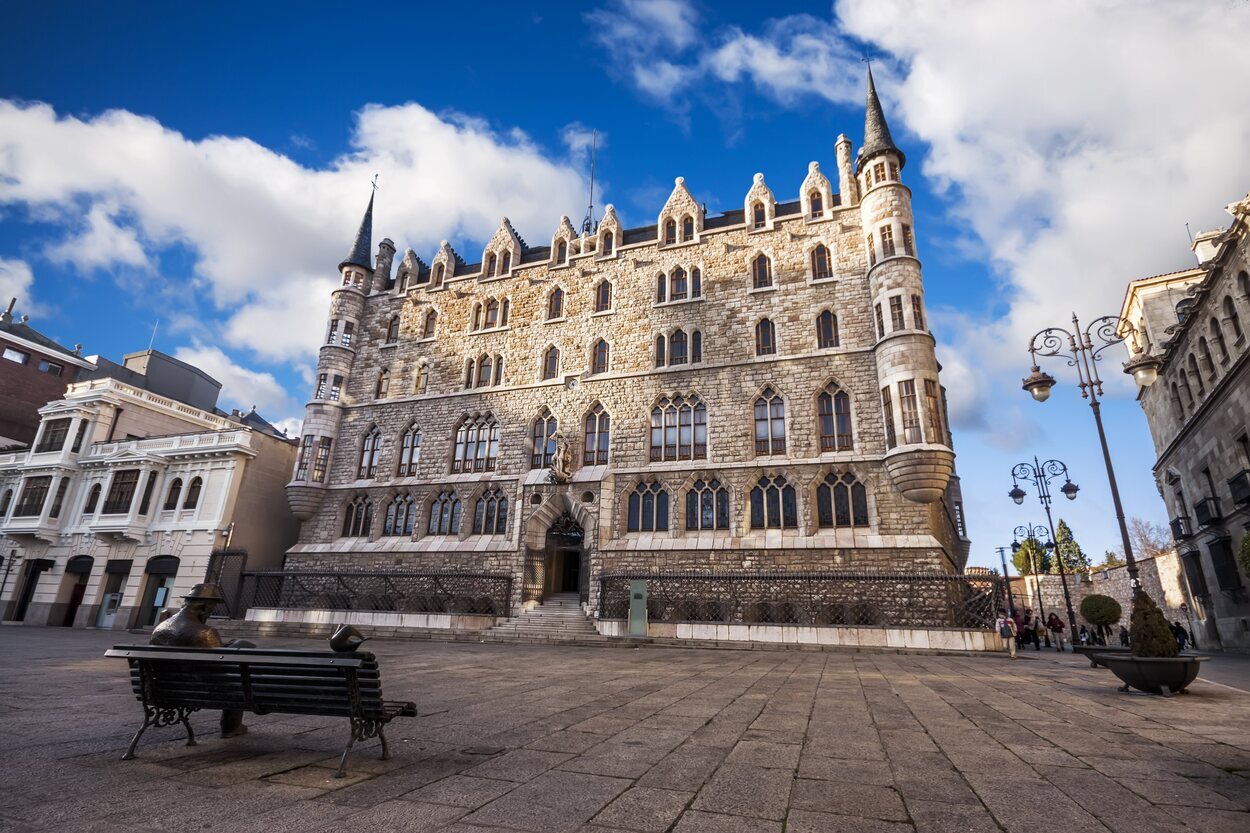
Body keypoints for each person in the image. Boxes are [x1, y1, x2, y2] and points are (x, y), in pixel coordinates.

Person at [150, 583, 254, 737]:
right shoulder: (205, 633)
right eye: (212, 607)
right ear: (205, 607)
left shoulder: (161, 627)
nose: (211, 612)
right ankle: (230, 726)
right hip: (200, 689)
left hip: (162, 688)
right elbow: (222, 666)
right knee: (237, 679)